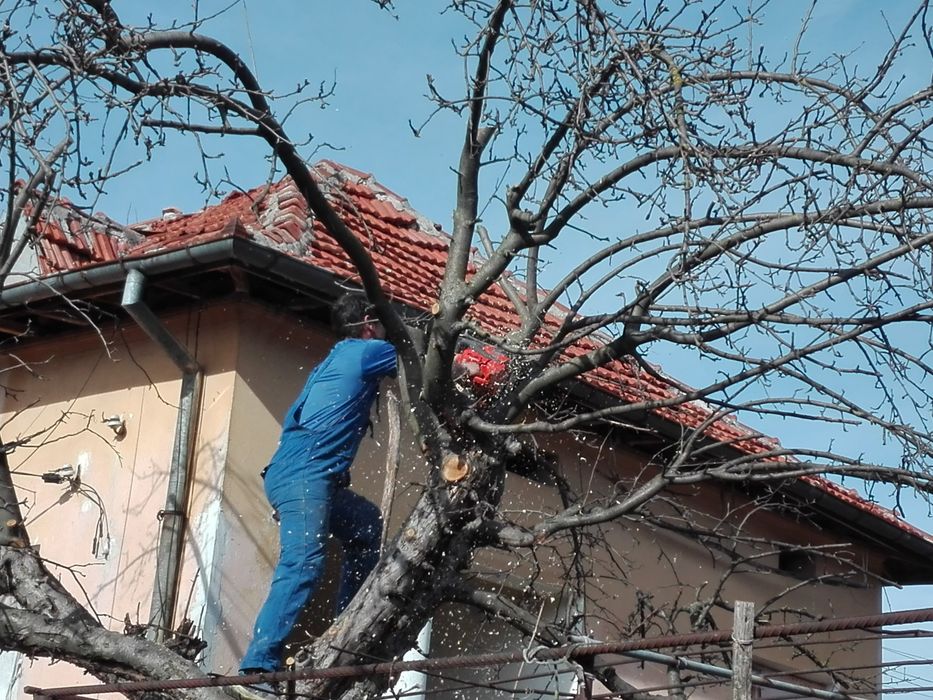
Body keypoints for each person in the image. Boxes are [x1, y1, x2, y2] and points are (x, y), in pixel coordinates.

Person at [239, 293, 397, 675]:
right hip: (305, 476)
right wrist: (463, 366)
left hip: (300, 476)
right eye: (381, 324)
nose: (386, 331)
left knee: (365, 524)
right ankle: (257, 668)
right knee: (303, 563)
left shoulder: (337, 357)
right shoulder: (368, 351)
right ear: (367, 324)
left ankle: (345, 629)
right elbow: (421, 361)